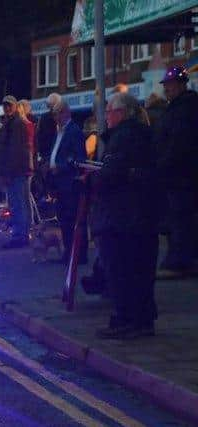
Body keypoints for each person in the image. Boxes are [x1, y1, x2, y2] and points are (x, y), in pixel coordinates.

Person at [92, 93, 159, 339]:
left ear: (120, 113)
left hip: (123, 218)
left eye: (109, 111)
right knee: (140, 271)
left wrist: (94, 179)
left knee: (122, 270)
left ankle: (127, 320)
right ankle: (141, 320)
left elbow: (112, 174)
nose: (106, 117)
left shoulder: (124, 137)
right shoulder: (142, 133)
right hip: (141, 216)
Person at [155, 66, 198, 278]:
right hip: (176, 175)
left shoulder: (185, 109)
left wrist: (162, 164)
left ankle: (180, 261)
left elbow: (178, 143)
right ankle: (179, 258)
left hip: (181, 175)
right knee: (176, 218)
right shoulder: (177, 108)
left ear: (181, 84)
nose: (167, 89)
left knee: (180, 218)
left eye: (170, 85)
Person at [48, 102, 87, 264]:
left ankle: (78, 254)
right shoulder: (59, 132)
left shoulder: (74, 131)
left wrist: (61, 166)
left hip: (70, 182)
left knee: (73, 219)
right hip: (60, 183)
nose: (54, 118)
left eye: (56, 114)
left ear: (65, 113)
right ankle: (68, 252)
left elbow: (79, 159)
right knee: (64, 219)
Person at [0, 95, 32, 248]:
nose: (7, 108)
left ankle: (20, 236)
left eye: (9, 105)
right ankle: (21, 234)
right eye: (5, 105)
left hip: (15, 171)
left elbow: (15, 150)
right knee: (19, 203)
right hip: (15, 170)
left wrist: (8, 172)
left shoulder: (15, 124)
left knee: (18, 203)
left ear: (15, 106)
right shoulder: (11, 123)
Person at [35, 93, 61, 160]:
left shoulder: (43, 117)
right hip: (58, 153)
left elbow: (38, 134)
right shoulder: (63, 117)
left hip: (46, 153)